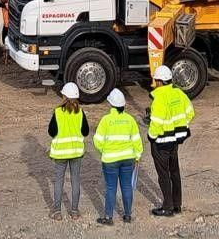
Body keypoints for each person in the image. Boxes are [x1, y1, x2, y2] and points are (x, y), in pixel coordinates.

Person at [146, 65, 194, 217]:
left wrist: (151, 137)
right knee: (174, 172)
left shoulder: (159, 99)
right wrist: (181, 127)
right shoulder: (179, 93)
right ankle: (177, 205)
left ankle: (167, 207)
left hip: (161, 142)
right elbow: (190, 112)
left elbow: (156, 123)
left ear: (159, 81)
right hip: (175, 141)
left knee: (163, 174)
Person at [92, 87, 142, 226]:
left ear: (111, 104)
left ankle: (108, 217)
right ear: (123, 105)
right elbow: (137, 140)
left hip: (110, 160)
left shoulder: (106, 120)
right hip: (128, 159)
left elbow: (97, 141)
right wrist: (137, 156)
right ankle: (127, 215)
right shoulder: (130, 120)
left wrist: (105, 151)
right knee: (127, 186)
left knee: (110, 188)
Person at [48, 81, 90, 220]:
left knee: (58, 181)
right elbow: (85, 131)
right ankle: (74, 211)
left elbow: (51, 131)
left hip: (60, 153)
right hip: (76, 153)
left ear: (64, 97)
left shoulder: (57, 112)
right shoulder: (81, 112)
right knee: (75, 180)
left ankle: (57, 212)